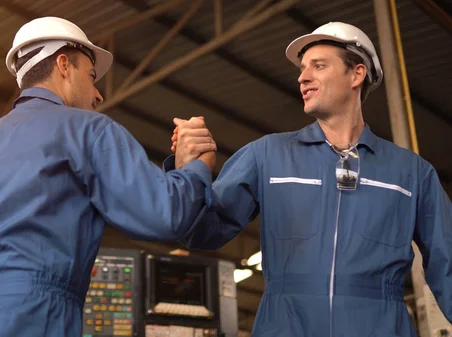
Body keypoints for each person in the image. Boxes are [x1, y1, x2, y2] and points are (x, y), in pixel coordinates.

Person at [0, 17, 217, 337]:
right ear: (63, 65)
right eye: (91, 76)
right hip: (36, 318)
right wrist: (195, 168)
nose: (97, 95)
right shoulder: (87, 131)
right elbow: (164, 214)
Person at [167, 22, 452, 337]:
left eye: (319, 66)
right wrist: (188, 172)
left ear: (357, 74)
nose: (302, 77)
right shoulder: (266, 156)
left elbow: (447, 264)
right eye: (302, 69)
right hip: (286, 326)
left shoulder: (412, 173)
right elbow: (200, 232)